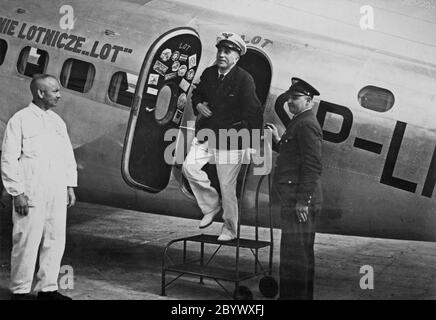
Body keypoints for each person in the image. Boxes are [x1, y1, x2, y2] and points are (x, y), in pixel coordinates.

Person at [1, 74, 77, 300]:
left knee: (55, 240)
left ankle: (48, 289)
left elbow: (67, 156)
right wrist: (17, 192)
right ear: (40, 93)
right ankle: (20, 291)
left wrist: (69, 186)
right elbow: (9, 158)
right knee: (26, 241)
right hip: (31, 192)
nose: (59, 95)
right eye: (55, 91)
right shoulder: (20, 120)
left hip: (56, 191)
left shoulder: (57, 122)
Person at [182, 32, 263, 241]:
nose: (222, 55)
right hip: (207, 134)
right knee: (189, 168)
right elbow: (197, 94)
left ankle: (230, 229)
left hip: (231, 140)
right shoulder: (209, 74)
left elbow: (254, 113)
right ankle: (210, 205)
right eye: (220, 50)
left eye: (227, 52)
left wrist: (253, 145)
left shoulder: (244, 80)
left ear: (236, 57)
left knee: (227, 187)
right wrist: (198, 104)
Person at [266, 77, 323, 300]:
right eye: (289, 97)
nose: (290, 101)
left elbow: (312, 165)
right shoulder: (300, 120)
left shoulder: (307, 124)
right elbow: (293, 154)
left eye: (296, 98)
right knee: (300, 254)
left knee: (294, 256)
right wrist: (277, 139)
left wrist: (302, 201)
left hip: (298, 202)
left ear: (309, 101)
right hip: (294, 200)